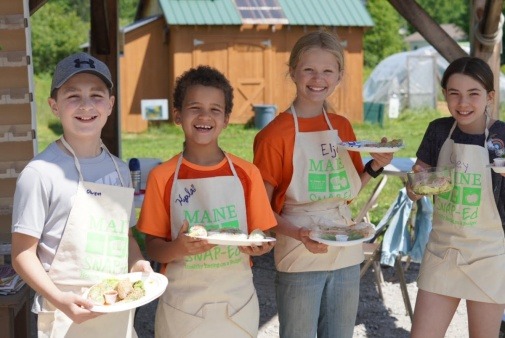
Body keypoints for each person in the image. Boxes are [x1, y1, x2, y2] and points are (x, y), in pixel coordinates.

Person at [252, 30, 394, 338]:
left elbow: (349, 190)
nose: (318, 79)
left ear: (340, 76)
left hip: (346, 247)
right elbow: (261, 209)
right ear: (293, 72)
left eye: (328, 70)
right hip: (298, 249)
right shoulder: (274, 135)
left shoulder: (342, 127)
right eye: (309, 70)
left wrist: (375, 165)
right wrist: (300, 234)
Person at [11, 52, 152, 338]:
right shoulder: (40, 173)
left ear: (111, 105)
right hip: (64, 318)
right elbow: (23, 254)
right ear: (54, 105)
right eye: (73, 95)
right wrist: (61, 300)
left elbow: (123, 238)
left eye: (96, 95)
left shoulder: (121, 170)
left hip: (117, 314)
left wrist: (137, 264)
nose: (86, 105)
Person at [136, 65, 277, 337]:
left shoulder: (247, 174)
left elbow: (263, 234)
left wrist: (260, 246)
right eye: (194, 107)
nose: (204, 116)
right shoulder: (162, 177)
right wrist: (178, 248)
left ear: (226, 119)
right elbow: (153, 249)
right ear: (177, 115)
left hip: (237, 306)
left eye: (215, 109)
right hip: (182, 309)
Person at [408, 57, 505, 337]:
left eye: (473, 94)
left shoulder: (502, 136)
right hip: (443, 251)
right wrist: (417, 185)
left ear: (489, 96)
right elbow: (415, 187)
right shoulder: (438, 130)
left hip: (489, 255)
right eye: (454, 94)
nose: (463, 103)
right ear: (445, 96)